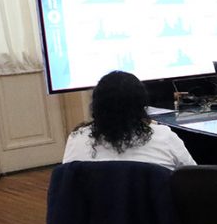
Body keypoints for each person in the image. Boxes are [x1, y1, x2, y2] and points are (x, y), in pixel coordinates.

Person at [63, 70, 195, 170]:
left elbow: (66, 187)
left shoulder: (76, 139)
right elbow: (193, 179)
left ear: (96, 106)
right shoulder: (164, 137)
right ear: (141, 106)